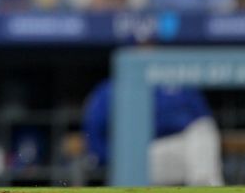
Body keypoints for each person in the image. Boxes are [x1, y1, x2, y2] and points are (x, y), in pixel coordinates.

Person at [83, 79, 224, 186]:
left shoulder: (177, 83)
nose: (145, 52)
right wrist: (112, 159)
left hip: (182, 150)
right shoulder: (111, 89)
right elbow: (95, 131)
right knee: (201, 160)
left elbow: (203, 120)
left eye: (150, 45)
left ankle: (206, 191)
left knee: (202, 132)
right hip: (138, 158)